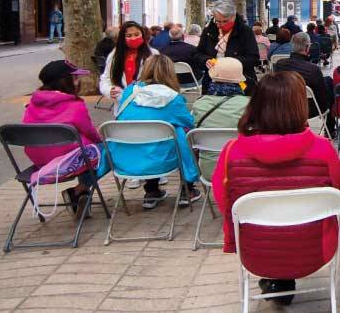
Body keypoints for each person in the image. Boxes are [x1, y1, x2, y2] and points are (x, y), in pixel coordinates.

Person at [212, 71, 340, 304]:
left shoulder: (232, 152)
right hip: (313, 249)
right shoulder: (323, 150)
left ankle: (277, 280)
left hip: (255, 251)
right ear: (299, 106)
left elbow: (226, 203)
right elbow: (335, 192)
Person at [110, 55, 201, 208]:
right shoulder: (173, 99)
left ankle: (151, 190)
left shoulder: (129, 93)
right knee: (183, 133)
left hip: (126, 158)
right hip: (161, 159)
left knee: (147, 136)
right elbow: (190, 124)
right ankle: (187, 188)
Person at [23, 60, 101, 211]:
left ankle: (80, 193)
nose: (78, 82)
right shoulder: (74, 105)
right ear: (66, 82)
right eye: (75, 78)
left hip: (41, 161)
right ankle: (80, 189)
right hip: (67, 162)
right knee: (105, 151)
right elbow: (91, 133)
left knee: (84, 149)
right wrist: (101, 140)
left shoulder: (32, 104)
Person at [274, 32, 336, 136]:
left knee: (327, 81)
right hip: (307, 110)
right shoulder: (313, 69)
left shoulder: (279, 65)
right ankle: (330, 129)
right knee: (328, 84)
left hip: (284, 106)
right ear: (307, 48)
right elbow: (322, 97)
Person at [194, 0, 259, 95]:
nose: (221, 25)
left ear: (233, 17)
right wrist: (205, 60)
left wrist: (229, 63)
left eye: (225, 21)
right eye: (218, 21)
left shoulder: (245, 31)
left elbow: (253, 58)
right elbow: (197, 53)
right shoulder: (209, 31)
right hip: (212, 80)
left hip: (241, 81)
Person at [100, 21, 159, 104]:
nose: (133, 38)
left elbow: (159, 78)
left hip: (147, 102)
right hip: (122, 102)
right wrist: (109, 90)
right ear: (122, 38)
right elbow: (106, 77)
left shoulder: (153, 54)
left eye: (136, 34)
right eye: (129, 36)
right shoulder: (114, 55)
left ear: (142, 35)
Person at [192, 57, 250, 129]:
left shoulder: (199, 104)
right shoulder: (248, 105)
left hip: (208, 140)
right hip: (237, 140)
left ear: (212, 78)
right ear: (239, 80)